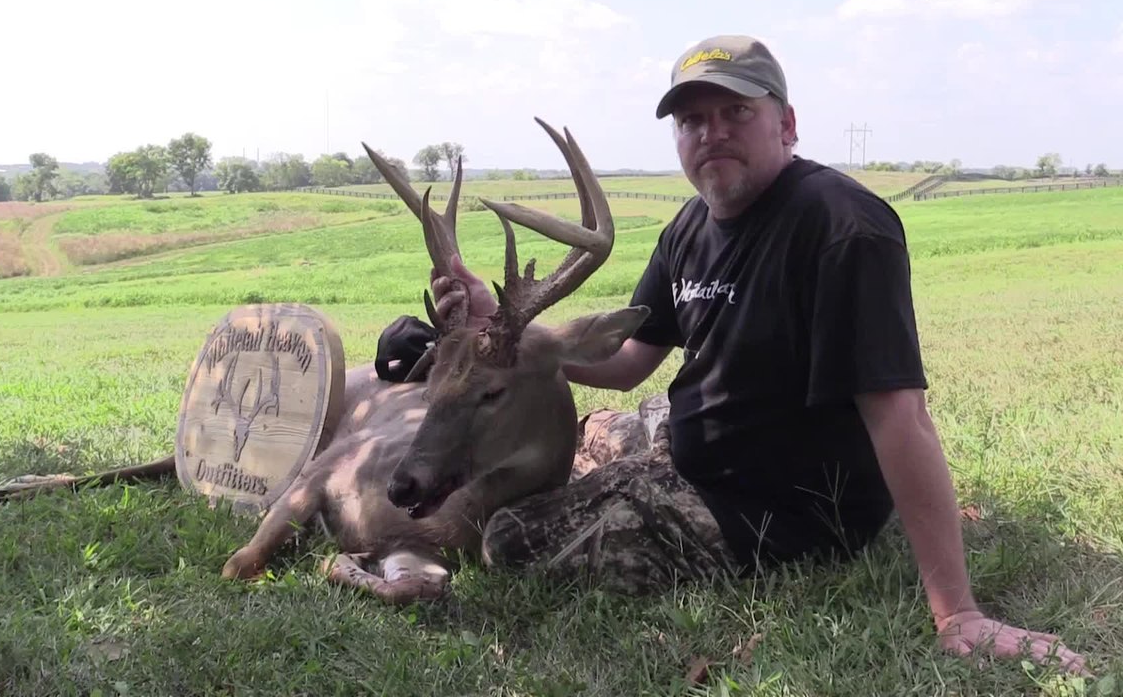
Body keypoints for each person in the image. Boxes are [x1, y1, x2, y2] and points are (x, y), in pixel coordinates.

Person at [429, 35, 1087, 674]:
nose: (711, 133)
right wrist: (504, 336)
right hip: (705, 444)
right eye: (692, 120)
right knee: (596, 430)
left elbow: (901, 417)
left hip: (784, 506)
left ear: (787, 124)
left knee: (508, 538)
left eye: (735, 112)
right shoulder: (687, 226)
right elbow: (629, 363)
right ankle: (633, 477)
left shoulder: (842, 228)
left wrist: (957, 613)